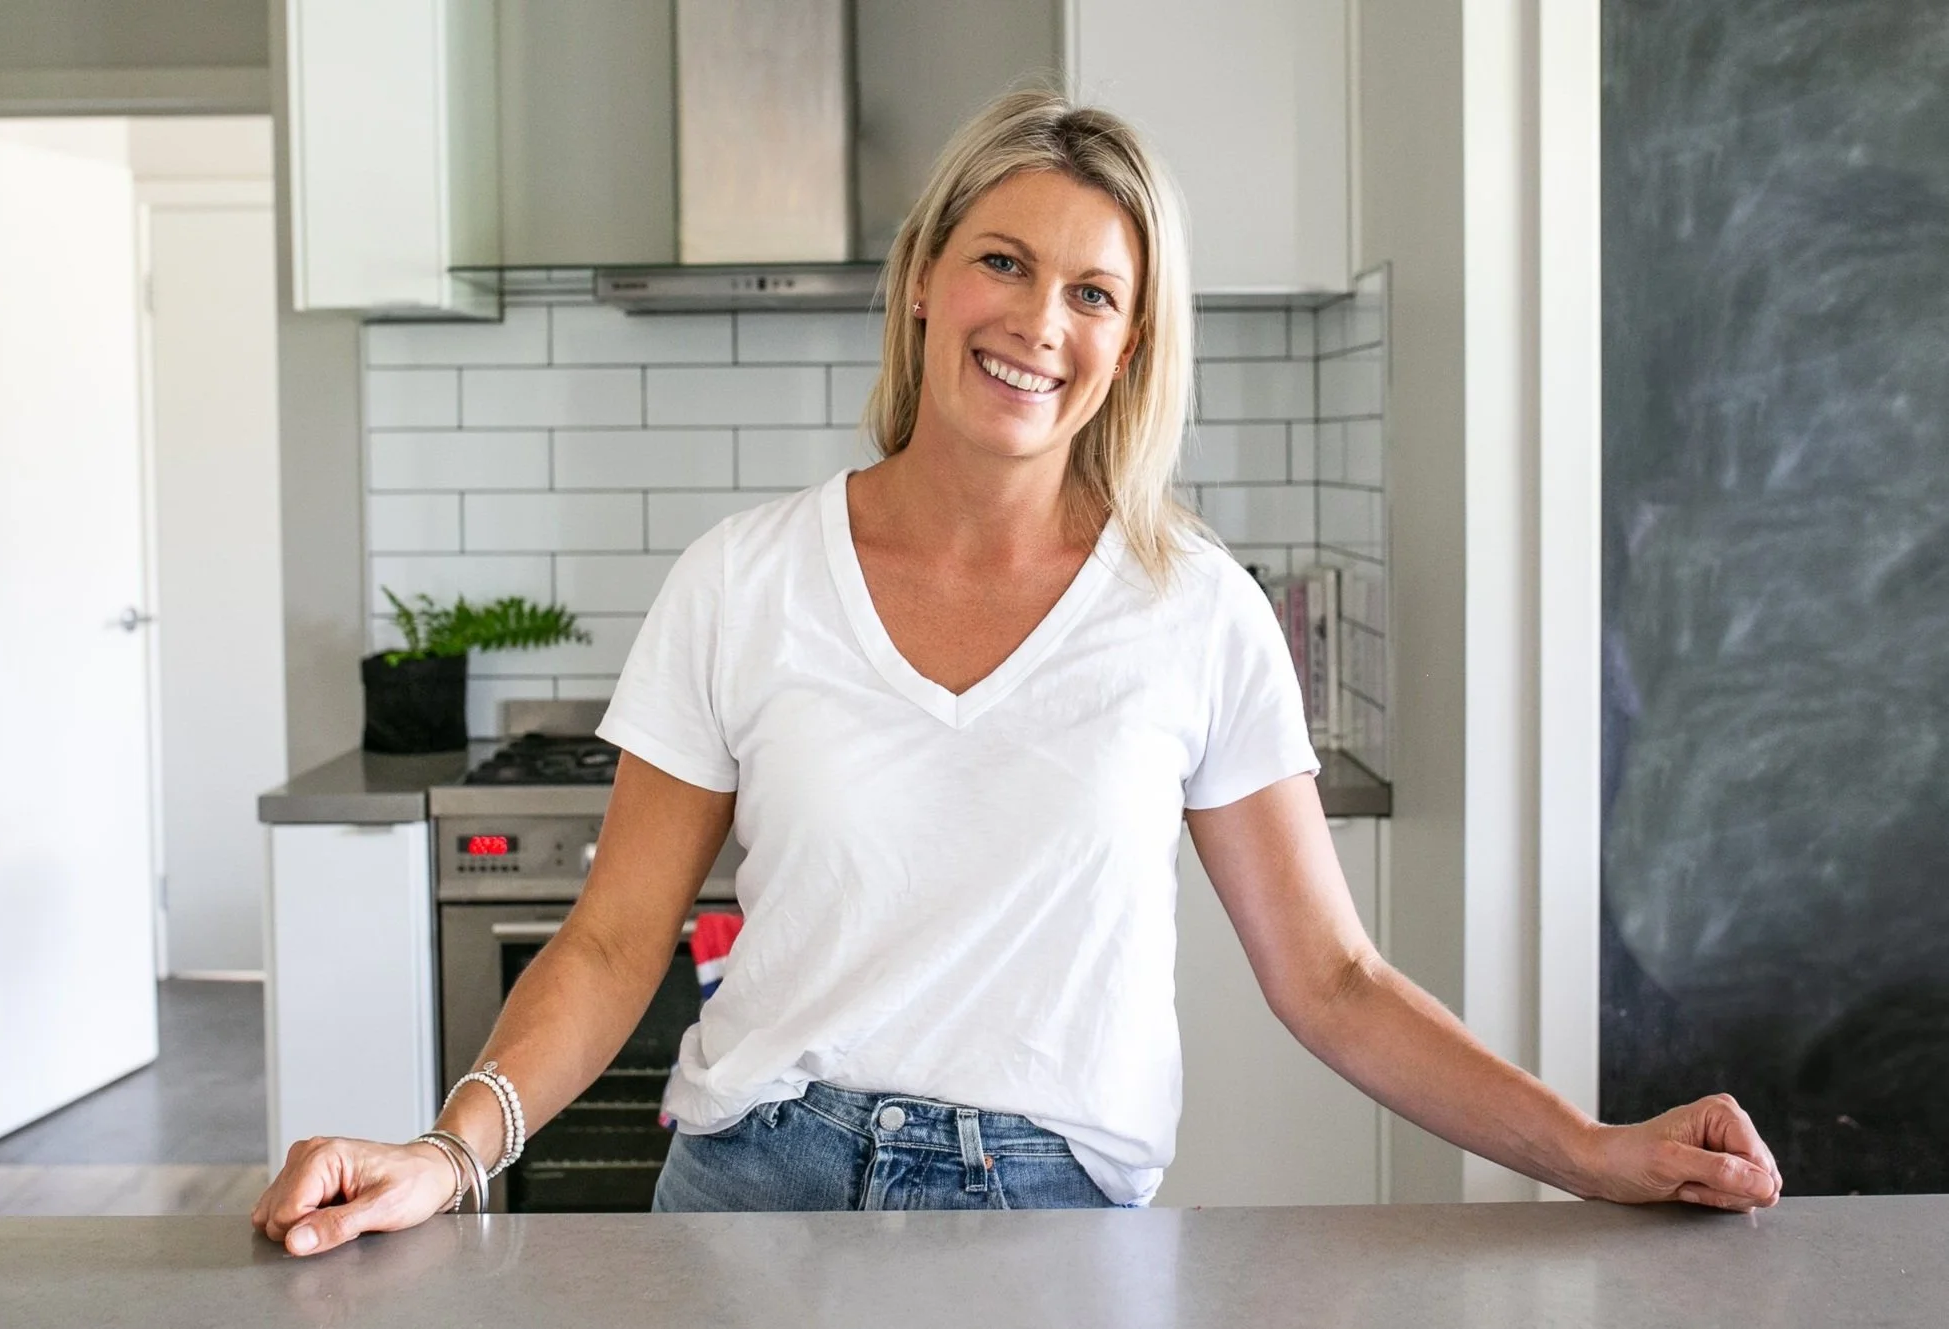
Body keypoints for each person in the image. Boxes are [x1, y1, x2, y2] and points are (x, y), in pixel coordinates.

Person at [254, 89, 1782, 1256]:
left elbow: (1332, 981)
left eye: (1091, 292)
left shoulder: (1195, 610)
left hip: (1049, 1218)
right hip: (750, 1195)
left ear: (1131, 341)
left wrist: (1586, 1150)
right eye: (1002, 261)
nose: (1038, 323)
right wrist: (449, 1154)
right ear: (925, 278)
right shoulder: (743, 577)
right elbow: (605, 947)